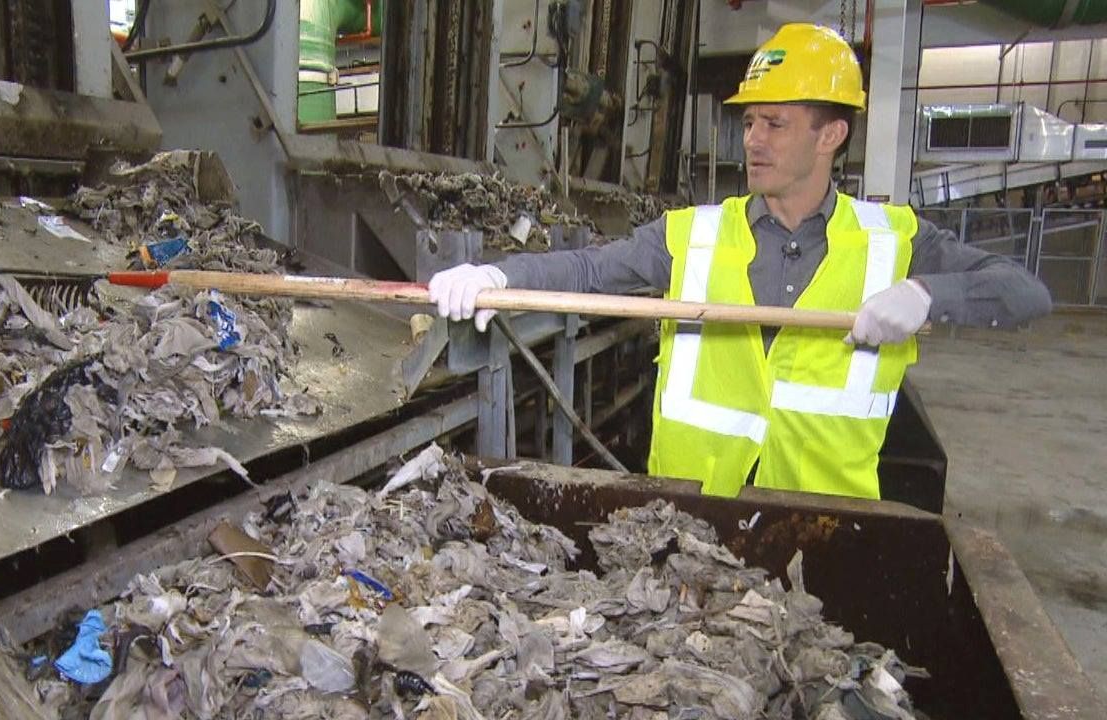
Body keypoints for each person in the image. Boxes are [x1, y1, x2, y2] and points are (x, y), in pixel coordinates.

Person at [426, 23, 1052, 500]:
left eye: (775, 124)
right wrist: (498, 275)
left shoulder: (893, 240)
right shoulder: (694, 236)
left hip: (828, 530)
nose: (752, 140)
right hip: (689, 523)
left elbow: (1025, 291)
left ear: (829, 134)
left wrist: (924, 295)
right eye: (750, 122)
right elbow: (589, 271)